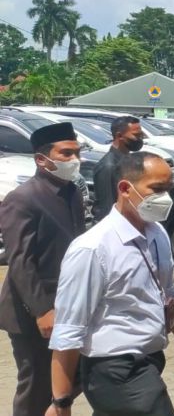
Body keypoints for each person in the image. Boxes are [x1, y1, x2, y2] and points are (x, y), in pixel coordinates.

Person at [47, 152, 174, 416]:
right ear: (125, 188)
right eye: (157, 189)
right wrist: (61, 403)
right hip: (115, 371)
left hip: (150, 362)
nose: (165, 197)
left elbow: (170, 296)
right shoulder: (92, 248)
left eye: (168, 189)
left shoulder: (157, 233)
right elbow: (68, 330)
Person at [0, 122, 86, 416]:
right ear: (42, 159)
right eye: (66, 153)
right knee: (37, 385)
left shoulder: (72, 192)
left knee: (73, 376)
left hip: (68, 304)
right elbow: (20, 260)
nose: (75, 160)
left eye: (77, 153)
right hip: (32, 312)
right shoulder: (23, 198)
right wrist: (42, 310)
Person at [91, 115, 144, 220]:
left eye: (141, 135)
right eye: (136, 135)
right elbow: (107, 208)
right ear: (119, 136)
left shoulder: (127, 159)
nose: (140, 139)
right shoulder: (109, 166)